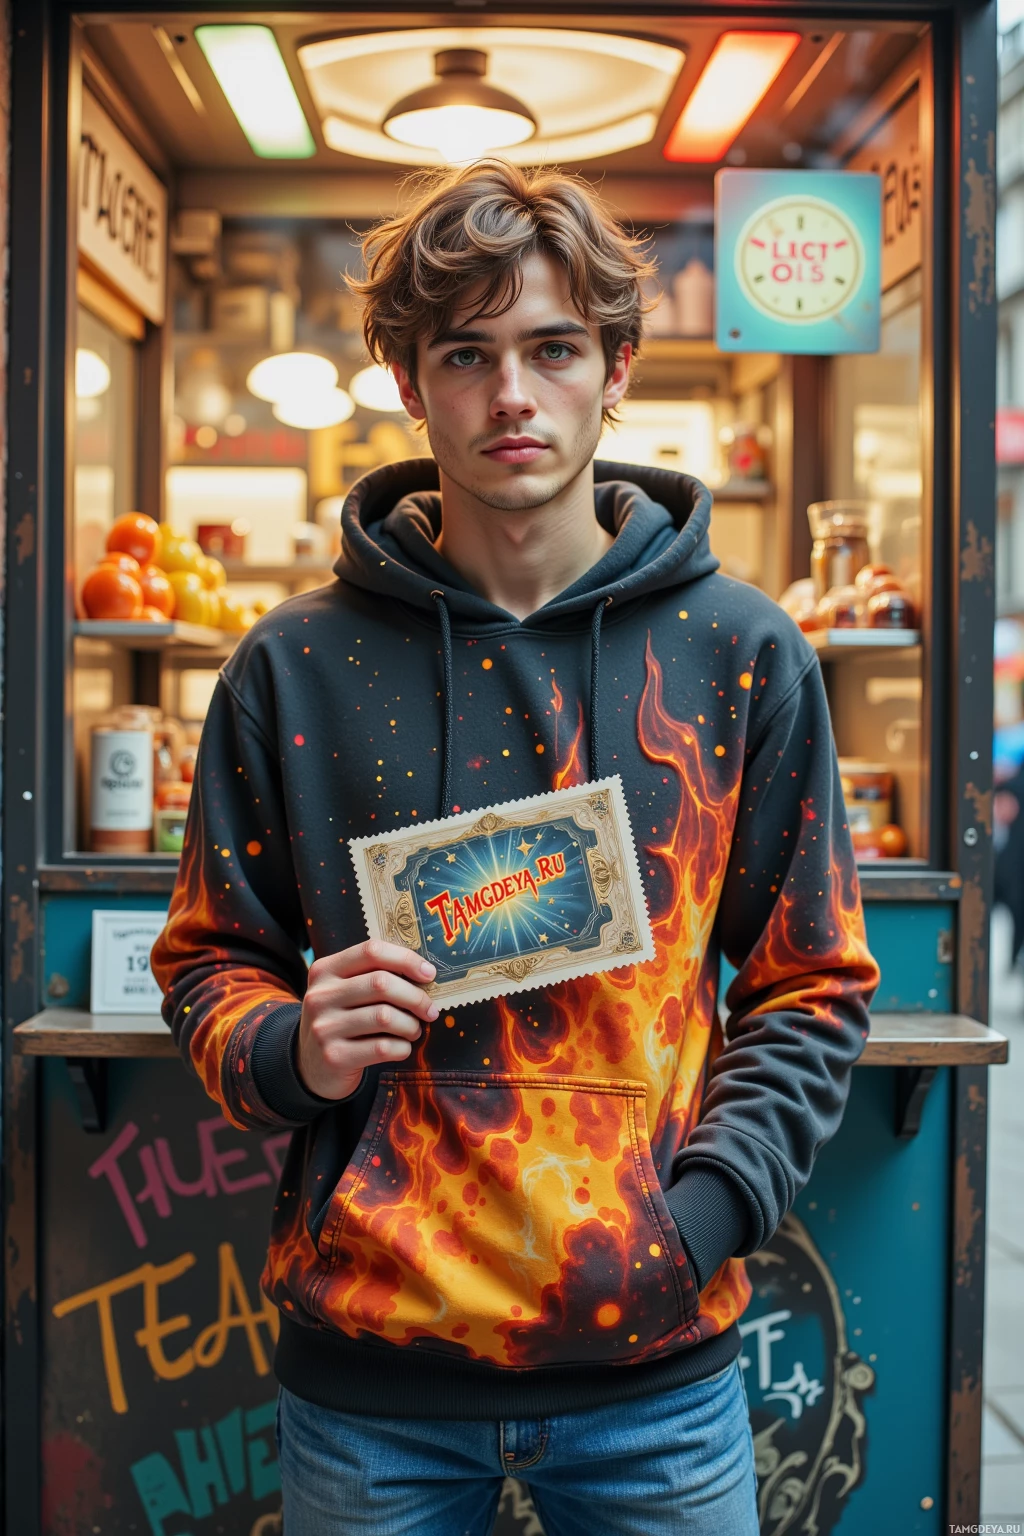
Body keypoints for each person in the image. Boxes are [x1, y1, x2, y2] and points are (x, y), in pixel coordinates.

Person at [152, 159, 879, 1536]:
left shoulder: (739, 652)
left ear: (615, 369)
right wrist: (290, 1048)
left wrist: (702, 1220)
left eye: (551, 349)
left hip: (656, 1383)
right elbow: (210, 961)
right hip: (369, 1384)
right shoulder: (291, 667)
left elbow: (813, 982)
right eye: (465, 354)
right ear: (407, 381)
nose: (510, 395)